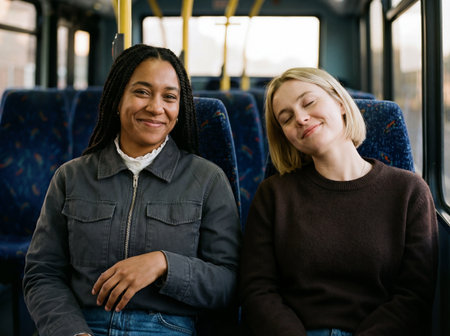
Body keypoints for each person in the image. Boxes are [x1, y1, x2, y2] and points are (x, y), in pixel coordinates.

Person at [23, 44, 241, 336]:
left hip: (164, 327)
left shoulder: (207, 179)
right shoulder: (71, 176)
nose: (156, 107)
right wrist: (71, 331)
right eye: (142, 92)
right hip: (82, 325)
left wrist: (164, 264)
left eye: (169, 97)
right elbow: (42, 274)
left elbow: (228, 283)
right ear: (117, 98)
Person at [239, 67, 438, 336]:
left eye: (309, 102)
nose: (300, 117)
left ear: (340, 103)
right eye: (286, 118)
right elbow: (258, 290)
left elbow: (414, 295)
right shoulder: (273, 194)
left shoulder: (409, 191)